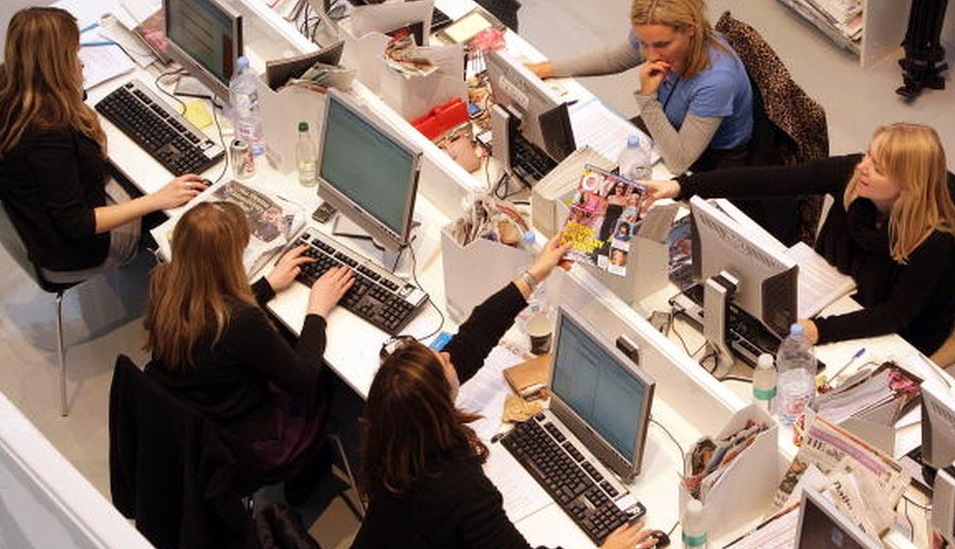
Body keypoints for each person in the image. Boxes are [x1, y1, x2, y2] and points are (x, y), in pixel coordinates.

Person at [352, 234, 659, 549]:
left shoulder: (390, 430)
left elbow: (473, 337)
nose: (448, 354)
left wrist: (535, 274)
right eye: (444, 362)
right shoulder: (460, 488)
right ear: (438, 403)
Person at [641, 123, 955, 355]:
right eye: (868, 155)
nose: (863, 167)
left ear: (908, 185)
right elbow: (770, 181)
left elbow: (895, 315)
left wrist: (821, 330)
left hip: (895, 334)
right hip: (830, 290)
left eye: (879, 168)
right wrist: (682, 187)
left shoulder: (933, 239)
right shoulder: (853, 176)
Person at [0, 7, 205, 283]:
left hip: (34, 220)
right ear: (54, 64)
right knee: (183, 210)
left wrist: (70, 87)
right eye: (73, 55)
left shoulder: (6, 82)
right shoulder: (47, 134)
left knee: (142, 174)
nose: (81, 63)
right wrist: (157, 200)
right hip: (74, 250)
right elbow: (77, 223)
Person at [144, 202, 355, 479]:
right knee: (325, 379)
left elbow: (210, 309)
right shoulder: (240, 321)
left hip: (198, 413)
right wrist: (318, 310)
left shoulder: (164, 283)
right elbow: (303, 380)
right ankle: (309, 468)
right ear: (228, 260)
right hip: (249, 441)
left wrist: (267, 285)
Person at [527, 0, 752, 175]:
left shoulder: (717, 81)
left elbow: (679, 162)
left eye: (662, 44)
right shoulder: (654, 33)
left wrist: (647, 98)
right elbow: (612, 60)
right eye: (644, 43)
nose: (650, 55)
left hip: (709, 159)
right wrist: (545, 69)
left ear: (690, 29)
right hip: (667, 124)